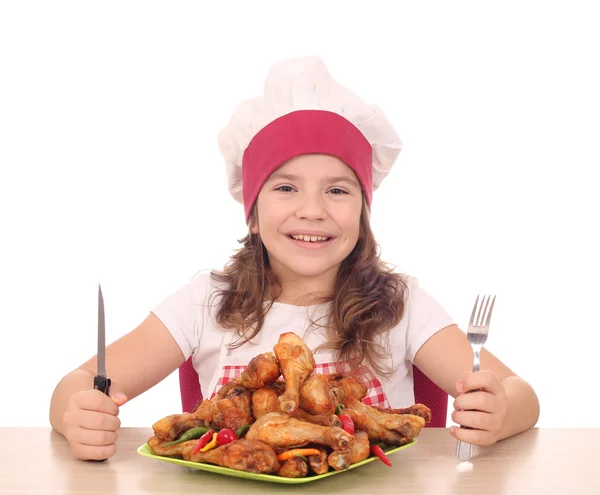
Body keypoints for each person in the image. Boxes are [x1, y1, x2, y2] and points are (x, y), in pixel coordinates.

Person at [49, 55, 540, 461]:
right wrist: (77, 412)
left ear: (364, 213)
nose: (312, 210)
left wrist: (501, 411)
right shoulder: (205, 302)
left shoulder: (402, 305)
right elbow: (77, 382)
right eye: (286, 187)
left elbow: (520, 393)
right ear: (254, 215)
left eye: (337, 190)